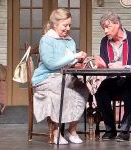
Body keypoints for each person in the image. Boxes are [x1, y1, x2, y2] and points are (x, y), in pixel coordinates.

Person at [31, 8, 89, 145]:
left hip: (64, 76)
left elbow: (68, 63)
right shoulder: (46, 40)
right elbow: (50, 64)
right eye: (65, 25)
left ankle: (71, 130)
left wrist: (78, 61)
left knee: (83, 89)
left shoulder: (70, 41)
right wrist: (73, 56)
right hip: (45, 78)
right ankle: (56, 133)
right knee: (63, 88)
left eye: (69, 25)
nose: (68, 28)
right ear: (55, 24)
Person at [95, 11, 131, 142]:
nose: (105, 31)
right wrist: (101, 64)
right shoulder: (104, 42)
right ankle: (110, 129)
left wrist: (124, 66)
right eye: (103, 27)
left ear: (118, 24)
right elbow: (105, 64)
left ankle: (124, 131)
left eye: (108, 26)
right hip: (114, 79)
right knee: (100, 93)